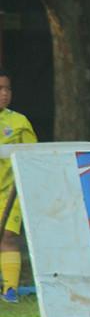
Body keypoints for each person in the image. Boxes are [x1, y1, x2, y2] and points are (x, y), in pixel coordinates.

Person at [0, 71, 37, 303]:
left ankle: (10, 290)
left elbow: (32, 157)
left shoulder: (19, 122)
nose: (4, 94)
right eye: (0, 89)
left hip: (10, 192)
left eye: (8, 89)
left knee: (9, 236)